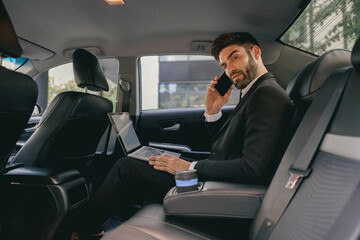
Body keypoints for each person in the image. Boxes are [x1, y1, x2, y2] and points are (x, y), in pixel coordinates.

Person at [71, 32, 293, 239]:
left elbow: (252, 168)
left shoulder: (266, 95)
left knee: (125, 168)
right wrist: (213, 111)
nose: (230, 69)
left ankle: (82, 231)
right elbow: (228, 146)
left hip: (220, 189)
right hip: (215, 178)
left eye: (235, 58)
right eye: (224, 64)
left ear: (255, 53)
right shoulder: (254, 92)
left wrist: (188, 167)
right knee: (139, 162)